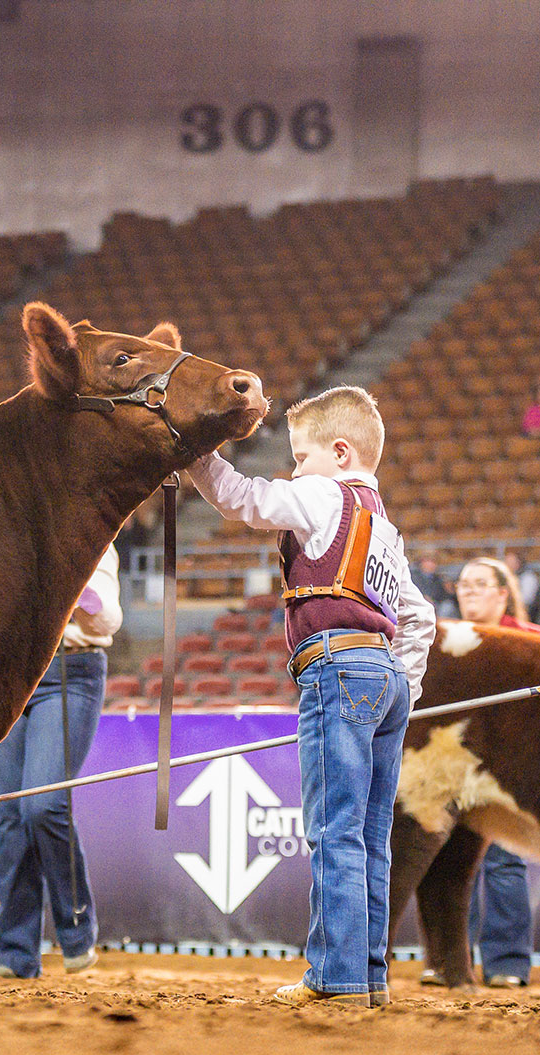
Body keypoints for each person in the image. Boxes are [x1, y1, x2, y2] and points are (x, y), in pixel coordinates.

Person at [187, 386, 435, 1007]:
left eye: (300, 457)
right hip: (385, 678)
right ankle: (368, 977)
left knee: (334, 831)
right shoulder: (384, 527)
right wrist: (402, 682)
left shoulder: (326, 495)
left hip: (337, 668)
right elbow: (419, 616)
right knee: (369, 836)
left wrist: (192, 454)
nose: (295, 470)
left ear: (341, 451)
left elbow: (244, 498)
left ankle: (337, 978)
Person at [0, 545, 121, 980]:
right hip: (5, 671)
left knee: (42, 804)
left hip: (70, 667)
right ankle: (13, 950)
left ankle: (76, 930)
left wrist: (73, 594)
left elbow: (107, 618)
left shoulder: (91, 532)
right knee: (11, 814)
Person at [440, 556, 540, 988]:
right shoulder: (443, 639)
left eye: (480, 583)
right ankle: (450, 963)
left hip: (510, 768)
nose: (468, 591)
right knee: (448, 864)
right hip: (454, 766)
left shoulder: (533, 640)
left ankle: (506, 965)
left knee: (504, 861)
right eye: (463, 584)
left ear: (502, 593)